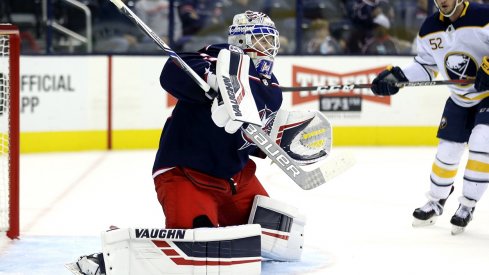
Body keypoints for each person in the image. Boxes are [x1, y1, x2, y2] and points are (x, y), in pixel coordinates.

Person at [72, 10, 331, 275]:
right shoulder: (221, 58)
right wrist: (213, 80)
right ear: (241, 41)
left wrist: (278, 143)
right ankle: (114, 256)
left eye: (270, 40)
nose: (268, 47)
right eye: (260, 39)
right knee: (199, 255)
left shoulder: (271, 89)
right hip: (186, 175)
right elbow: (171, 72)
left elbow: (248, 138)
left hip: (235, 179)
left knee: (274, 239)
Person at [370, 0, 489, 235]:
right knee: (447, 151)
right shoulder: (429, 28)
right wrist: (398, 77)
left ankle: (467, 206)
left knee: (482, 141)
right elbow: (425, 66)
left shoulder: (483, 15)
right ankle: (436, 201)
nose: (442, 1)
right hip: (459, 98)